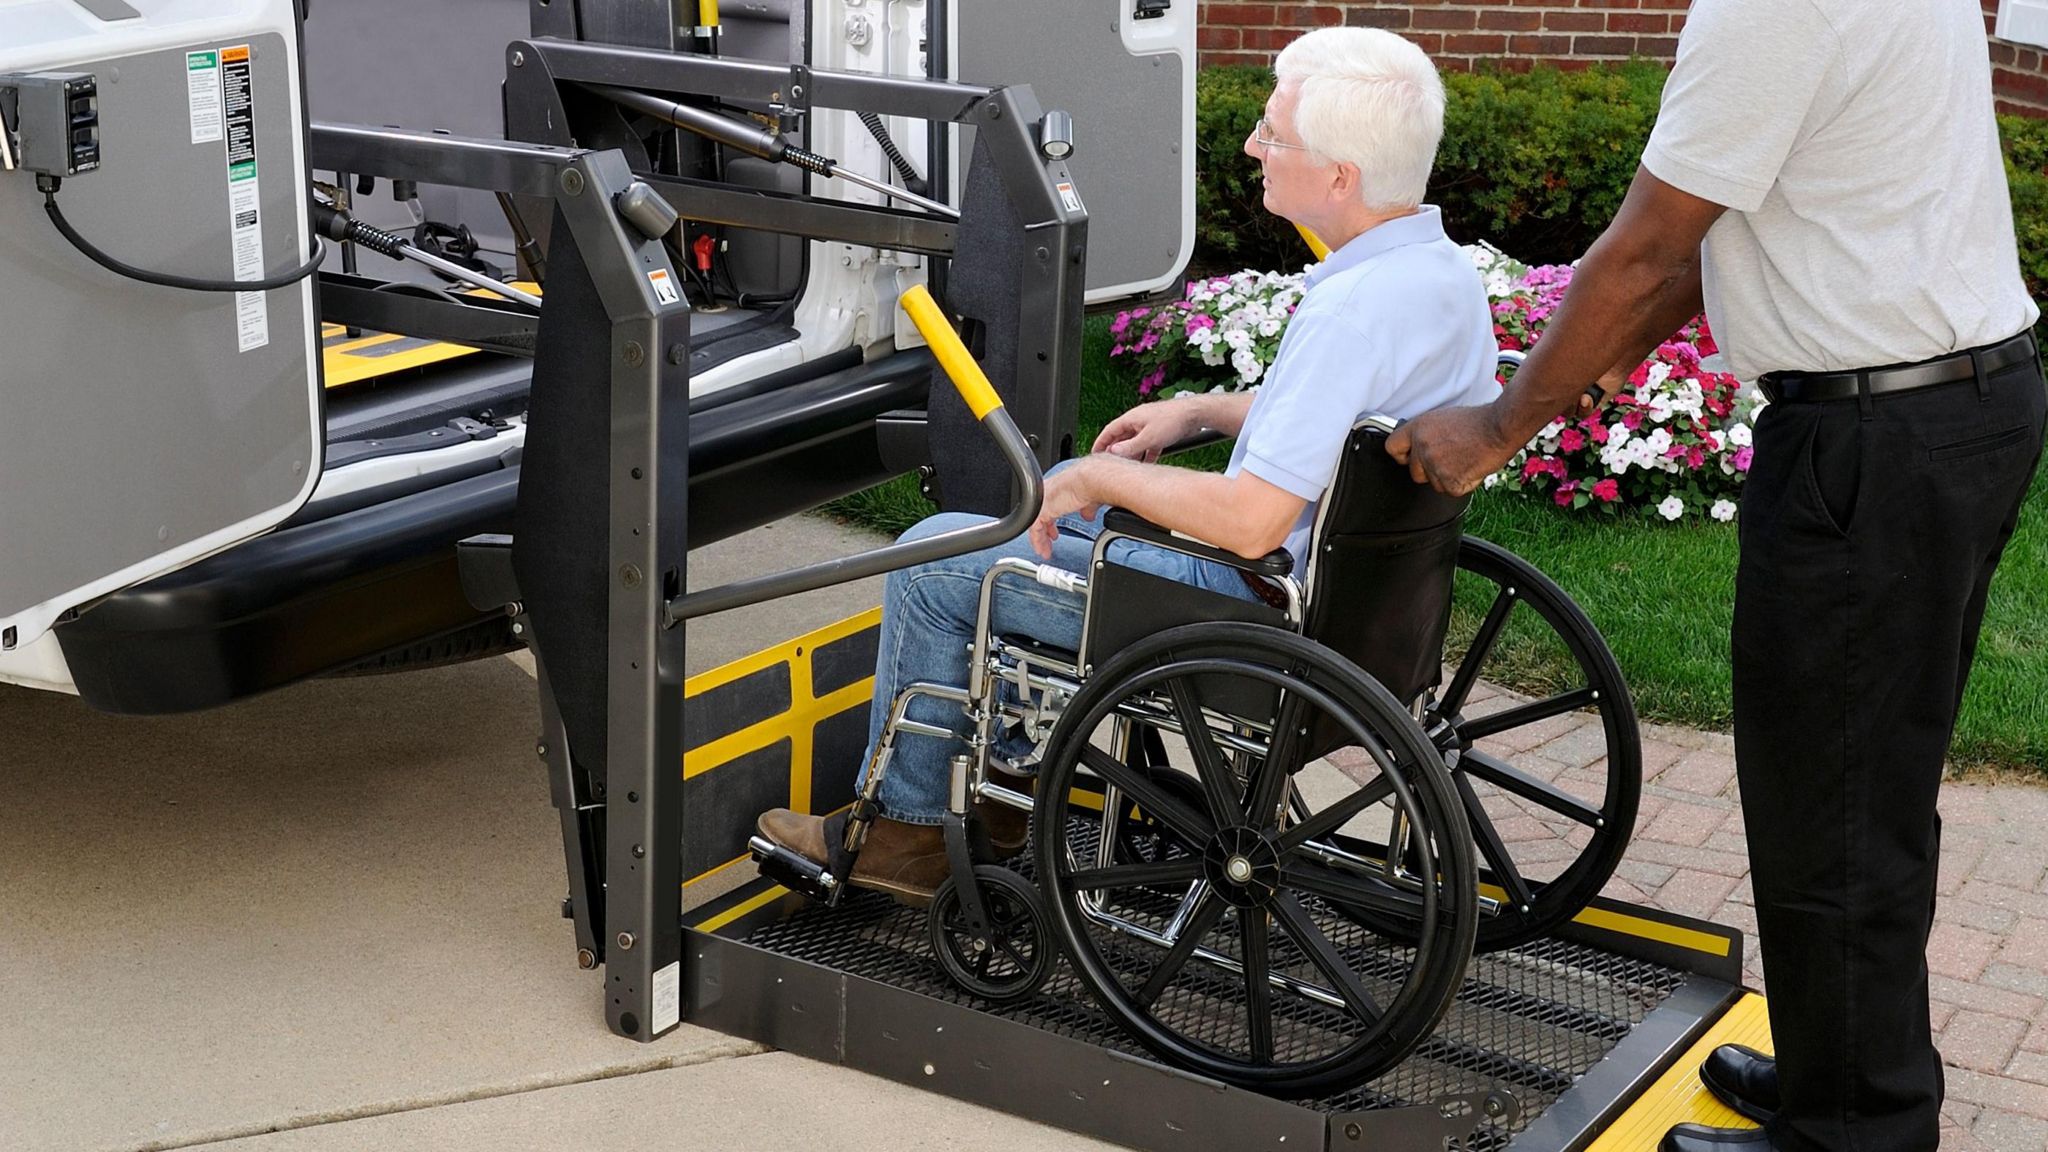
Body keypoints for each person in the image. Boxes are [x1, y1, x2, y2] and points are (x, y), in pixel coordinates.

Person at [1387, 2, 2046, 1150]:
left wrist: (1498, 425)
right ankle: (1845, 1077)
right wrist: (1588, 367)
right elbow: (1727, 229)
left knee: (1832, 801)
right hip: (1955, 404)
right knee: (1858, 788)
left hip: (1871, 438)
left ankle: (1852, 1132)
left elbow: (1649, 241)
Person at [754, 25, 1500, 907]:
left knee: (935, 557)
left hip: (1242, 606)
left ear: (1340, 176)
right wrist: (1198, 411)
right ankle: (998, 803)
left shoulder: (1350, 311)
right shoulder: (1438, 276)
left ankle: (907, 833)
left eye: (1274, 134)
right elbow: (1349, 425)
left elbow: (1254, 522)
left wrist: (1093, 479)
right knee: (1057, 530)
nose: (1255, 147)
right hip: (1356, 612)